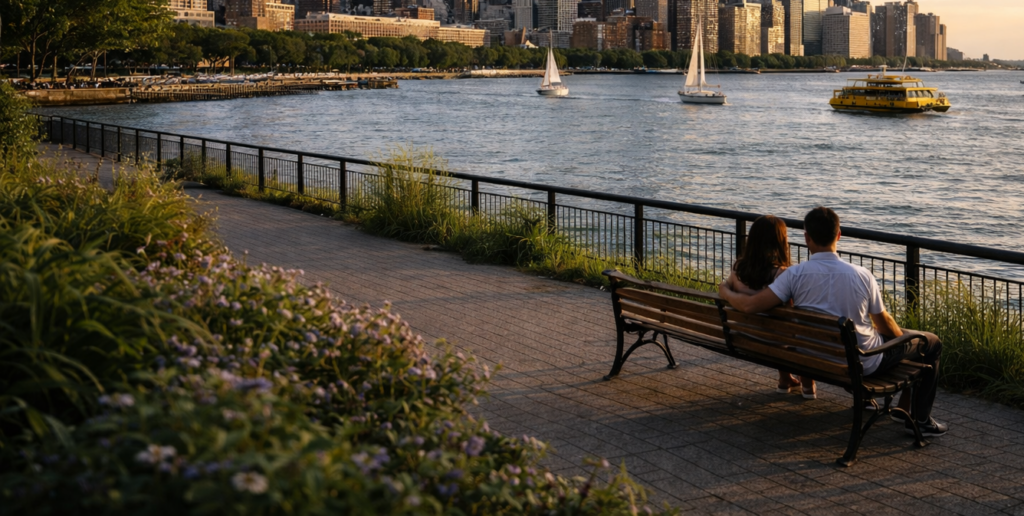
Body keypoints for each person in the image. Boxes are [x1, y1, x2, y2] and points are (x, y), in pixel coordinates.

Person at [718, 207, 947, 437]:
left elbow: (750, 305)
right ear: (839, 235)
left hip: (813, 357)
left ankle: (901, 410)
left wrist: (725, 292)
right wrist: (902, 342)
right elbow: (885, 323)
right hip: (861, 363)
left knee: (902, 339)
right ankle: (921, 420)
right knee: (930, 342)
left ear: (807, 238)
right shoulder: (862, 275)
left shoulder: (793, 275)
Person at [726, 215, 816, 399]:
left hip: (744, 336)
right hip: (773, 341)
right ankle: (807, 384)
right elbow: (791, 315)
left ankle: (785, 380)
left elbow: (725, 287)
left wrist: (723, 289)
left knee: (779, 329)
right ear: (780, 241)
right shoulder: (781, 273)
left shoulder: (737, 269)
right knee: (801, 332)